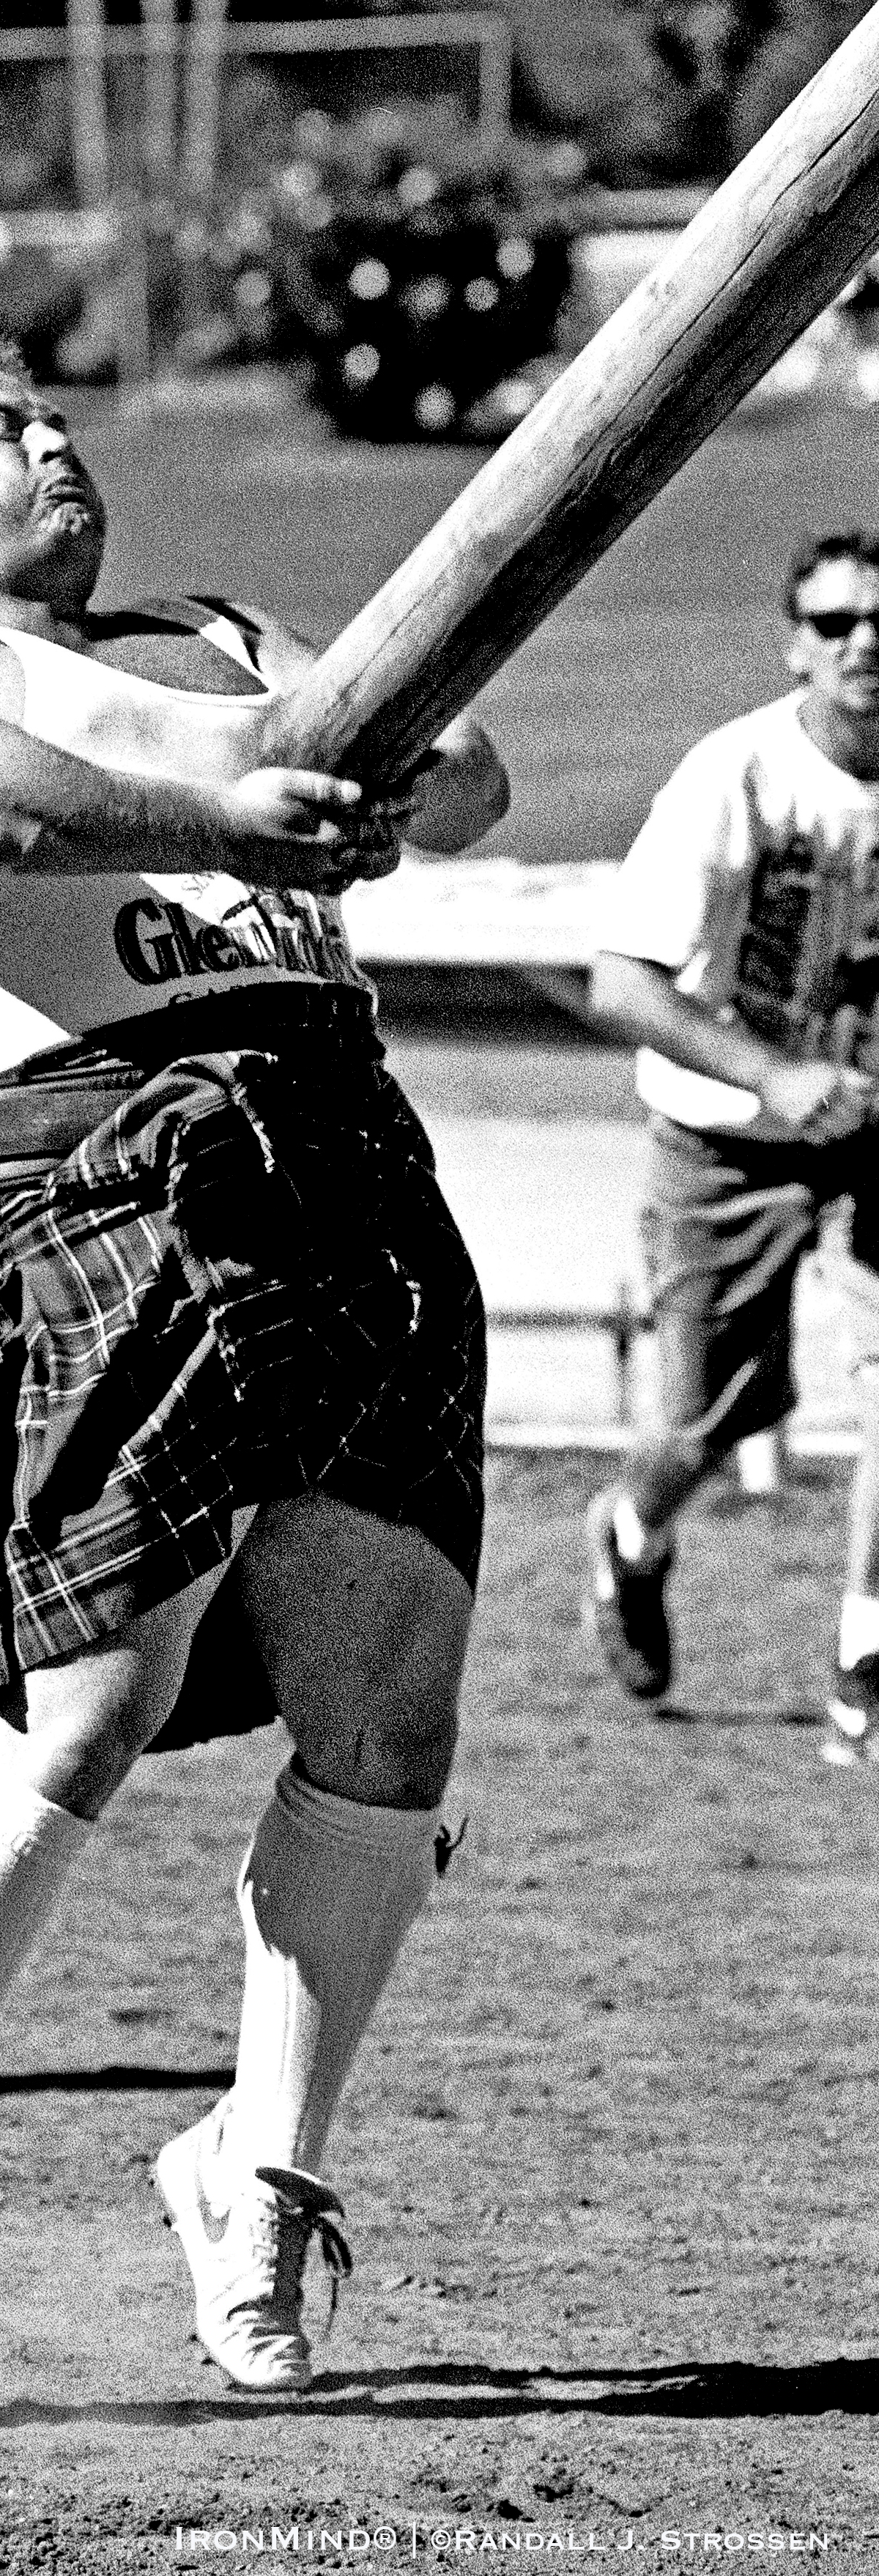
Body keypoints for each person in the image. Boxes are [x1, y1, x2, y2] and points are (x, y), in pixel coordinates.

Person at [0, 339, 511, 2429]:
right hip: (102, 1165)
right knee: (78, 1707)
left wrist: (384, 781)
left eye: (56, 416)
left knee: (389, 1708)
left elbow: (466, 768)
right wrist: (226, 800)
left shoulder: (216, 636)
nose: (51, 441)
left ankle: (254, 2168)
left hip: (346, 1166)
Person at [586, 530, 879, 1765]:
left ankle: (865, 1658)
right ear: (794, 646)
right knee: (704, 1423)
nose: (864, 643)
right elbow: (620, 983)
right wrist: (776, 1074)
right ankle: (631, 1533)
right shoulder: (736, 775)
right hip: (727, 1135)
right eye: (834, 623)